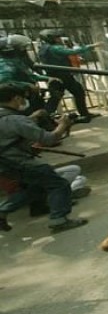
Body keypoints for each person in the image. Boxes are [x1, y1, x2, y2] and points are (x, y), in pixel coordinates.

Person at [0, 83, 86, 232]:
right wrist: (63, 125)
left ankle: (2, 211)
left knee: (36, 188)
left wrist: (31, 119)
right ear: (16, 98)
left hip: (5, 165)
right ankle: (59, 220)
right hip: (20, 162)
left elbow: (9, 131)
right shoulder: (16, 120)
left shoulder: (10, 118)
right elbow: (50, 139)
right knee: (58, 184)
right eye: (22, 99)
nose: (23, 102)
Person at [36, 29, 102, 123]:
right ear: (50, 39)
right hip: (62, 75)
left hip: (54, 74)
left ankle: (44, 118)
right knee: (77, 92)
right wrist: (92, 46)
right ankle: (83, 114)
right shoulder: (54, 48)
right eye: (56, 37)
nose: (59, 39)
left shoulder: (43, 48)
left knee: (56, 96)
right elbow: (71, 52)